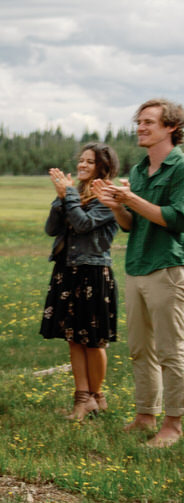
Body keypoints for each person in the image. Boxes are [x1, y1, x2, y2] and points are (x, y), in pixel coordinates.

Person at [93, 98, 184, 449]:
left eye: (148, 122)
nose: (140, 128)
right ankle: (146, 415)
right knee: (139, 348)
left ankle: (173, 424)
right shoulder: (140, 167)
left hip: (168, 267)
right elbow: (132, 225)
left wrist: (129, 199)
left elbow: (175, 219)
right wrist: (118, 207)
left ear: (171, 127)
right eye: (139, 122)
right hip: (137, 266)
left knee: (171, 350)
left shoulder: (179, 168)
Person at [39, 143, 120, 421]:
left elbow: (85, 224)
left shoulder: (108, 195)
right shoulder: (74, 193)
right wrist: (60, 198)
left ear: (103, 166)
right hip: (68, 271)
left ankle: (97, 396)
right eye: (81, 160)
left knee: (94, 340)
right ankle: (82, 398)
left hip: (93, 272)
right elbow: (51, 229)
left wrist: (68, 195)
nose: (82, 165)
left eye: (90, 161)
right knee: (74, 339)